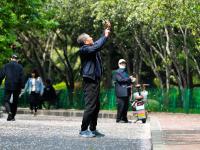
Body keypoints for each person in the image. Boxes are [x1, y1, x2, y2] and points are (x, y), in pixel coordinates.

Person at [77, 21, 111, 138]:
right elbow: (97, 45)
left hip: (95, 80)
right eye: (90, 37)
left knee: (96, 105)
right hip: (89, 81)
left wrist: (105, 32)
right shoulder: (84, 50)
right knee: (90, 105)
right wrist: (105, 36)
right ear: (86, 41)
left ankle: (93, 129)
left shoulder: (91, 47)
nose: (92, 38)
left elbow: (97, 44)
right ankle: (83, 129)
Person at [0, 54, 25, 121]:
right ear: (17, 60)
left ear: (11, 58)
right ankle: (12, 116)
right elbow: (22, 78)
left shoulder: (6, 66)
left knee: (6, 100)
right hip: (17, 86)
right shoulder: (20, 67)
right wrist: (22, 86)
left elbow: (1, 75)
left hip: (8, 85)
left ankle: (9, 113)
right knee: (15, 101)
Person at [113, 59, 136, 123]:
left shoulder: (125, 72)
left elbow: (127, 81)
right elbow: (120, 80)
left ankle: (124, 118)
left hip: (126, 91)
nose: (123, 64)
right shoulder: (117, 72)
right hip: (121, 92)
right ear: (118, 64)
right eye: (121, 63)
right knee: (121, 106)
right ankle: (118, 119)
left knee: (126, 106)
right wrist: (129, 78)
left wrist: (132, 80)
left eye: (124, 63)